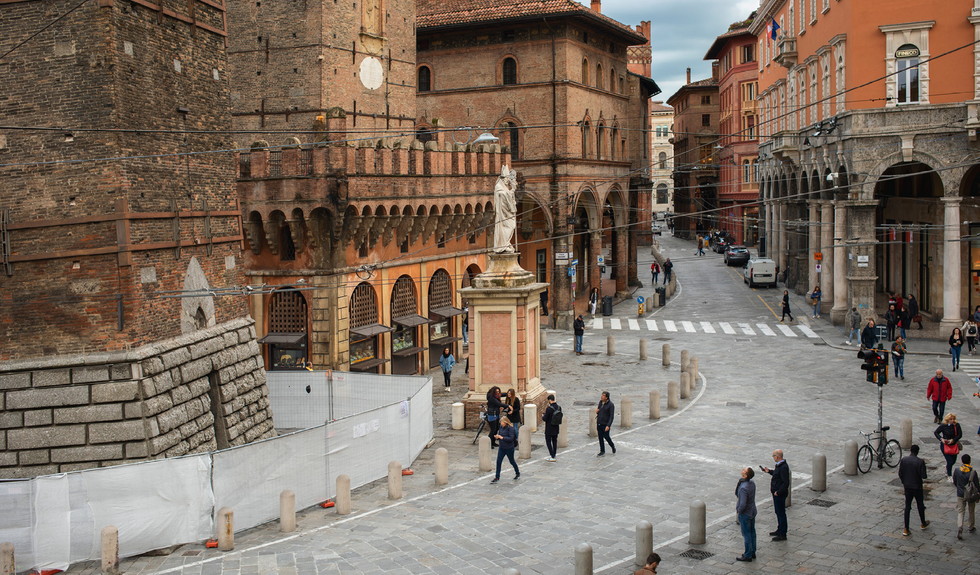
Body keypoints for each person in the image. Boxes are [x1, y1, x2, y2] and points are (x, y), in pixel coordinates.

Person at [898, 444, 929, 536]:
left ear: (910, 451)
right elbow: (924, 476)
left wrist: (904, 482)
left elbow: (900, 473)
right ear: (917, 452)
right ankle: (923, 523)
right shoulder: (920, 462)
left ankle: (906, 528)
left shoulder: (904, 460)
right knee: (920, 505)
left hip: (907, 486)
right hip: (917, 487)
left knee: (907, 507)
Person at [761, 449, 790, 541]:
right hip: (776, 493)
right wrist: (769, 471)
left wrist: (778, 492)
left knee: (781, 513)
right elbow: (777, 475)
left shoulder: (783, 467)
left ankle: (782, 534)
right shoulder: (779, 465)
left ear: (778, 456)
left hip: (779, 494)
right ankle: (779, 529)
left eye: (773, 456)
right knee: (778, 512)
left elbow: (786, 482)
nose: (773, 457)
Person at [953, 453, 980, 539]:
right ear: (969, 461)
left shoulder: (957, 470)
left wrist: (959, 488)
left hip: (960, 494)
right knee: (971, 510)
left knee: (961, 511)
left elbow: (955, 481)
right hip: (970, 495)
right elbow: (976, 484)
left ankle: (960, 526)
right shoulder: (973, 472)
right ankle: (971, 526)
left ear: (962, 461)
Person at [492, 166, 518, 253]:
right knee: (509, 226)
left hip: (506, 212)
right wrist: (511, 191)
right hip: (503, 214)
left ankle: (505, 243)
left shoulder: (504, 186)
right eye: (507, 178)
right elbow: (502, 195)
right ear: (503, 178)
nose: (508, 180)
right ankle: (503, 245)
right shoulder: (499, 186)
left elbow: (507, 195)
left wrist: (513, 190)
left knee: (512, 226)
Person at [735, 467, 758, 562]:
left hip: (745, 513)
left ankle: (747, 554)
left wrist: (739, 511)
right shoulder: (752, 483)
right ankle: (752, 551)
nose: (742, 469)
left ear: (745, 475)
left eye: (744, 470)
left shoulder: (743, 488)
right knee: (752, 531)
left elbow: (743, 503)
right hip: (752, 510)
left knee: (746, 534)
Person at [490, 416, 520, 483]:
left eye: (502, 422)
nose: (501, 424)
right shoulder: (501, 427)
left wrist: (502, 437)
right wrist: (497, 437)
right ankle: (497, 477)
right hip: (502, 447)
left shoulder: (510, 428)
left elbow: (511, 439)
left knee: (512, 461)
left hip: (509, 448)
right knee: (498, 462)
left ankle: (517, 472)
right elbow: (500, 435)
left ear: (506, 422)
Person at [935, 413, 963, 480]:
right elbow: (936, 432)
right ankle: (949, 475)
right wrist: (941, 439)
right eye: (951, 419)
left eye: (953, 419)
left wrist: (953, 440)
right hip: (945, 445)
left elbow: (960, 435)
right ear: (947, 419)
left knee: (953, 461)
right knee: (950, 461)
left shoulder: (957, 425)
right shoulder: (943, 425)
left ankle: (947, 468)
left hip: (953, 445)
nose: (952, 420)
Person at [595, 391, 616, 456]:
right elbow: (599, 411)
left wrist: (608, 425)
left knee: (607, 437)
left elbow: (611, 416)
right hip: (599, 422)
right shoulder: (600, 402)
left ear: (607, 397)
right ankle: (602, 450)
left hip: (605, 424)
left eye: (603, 395)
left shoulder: (611, 405)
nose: (602, 396)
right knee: (600, 437)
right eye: (602, 395)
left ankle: (612, 445)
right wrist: (597, 412)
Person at [542, 394, 562, 462]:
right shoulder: (559, 407)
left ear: (550, 400)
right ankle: (554, 454)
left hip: (549, 428)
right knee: (554, 441)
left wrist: (543, 415)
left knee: (548, 442)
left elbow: (545, 419)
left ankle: (552, 455)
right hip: (556, 427)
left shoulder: (549, 409)